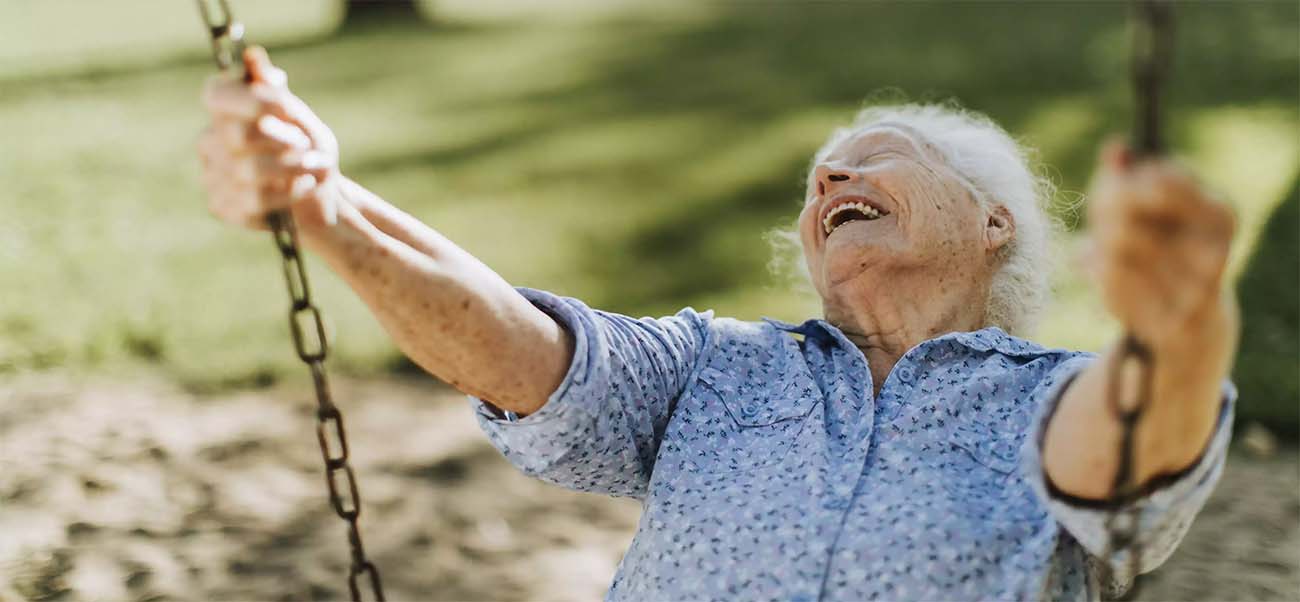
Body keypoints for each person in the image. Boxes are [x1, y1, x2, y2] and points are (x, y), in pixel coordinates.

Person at [198, 48, 1238, 601]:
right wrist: (323, 200)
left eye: (879, 154)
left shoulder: (1046, 394)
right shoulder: (718, 366)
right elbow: (525, 350)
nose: (832, 173)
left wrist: (1180, 321)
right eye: (819, 176)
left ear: (992, 220)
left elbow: (1131, 442)